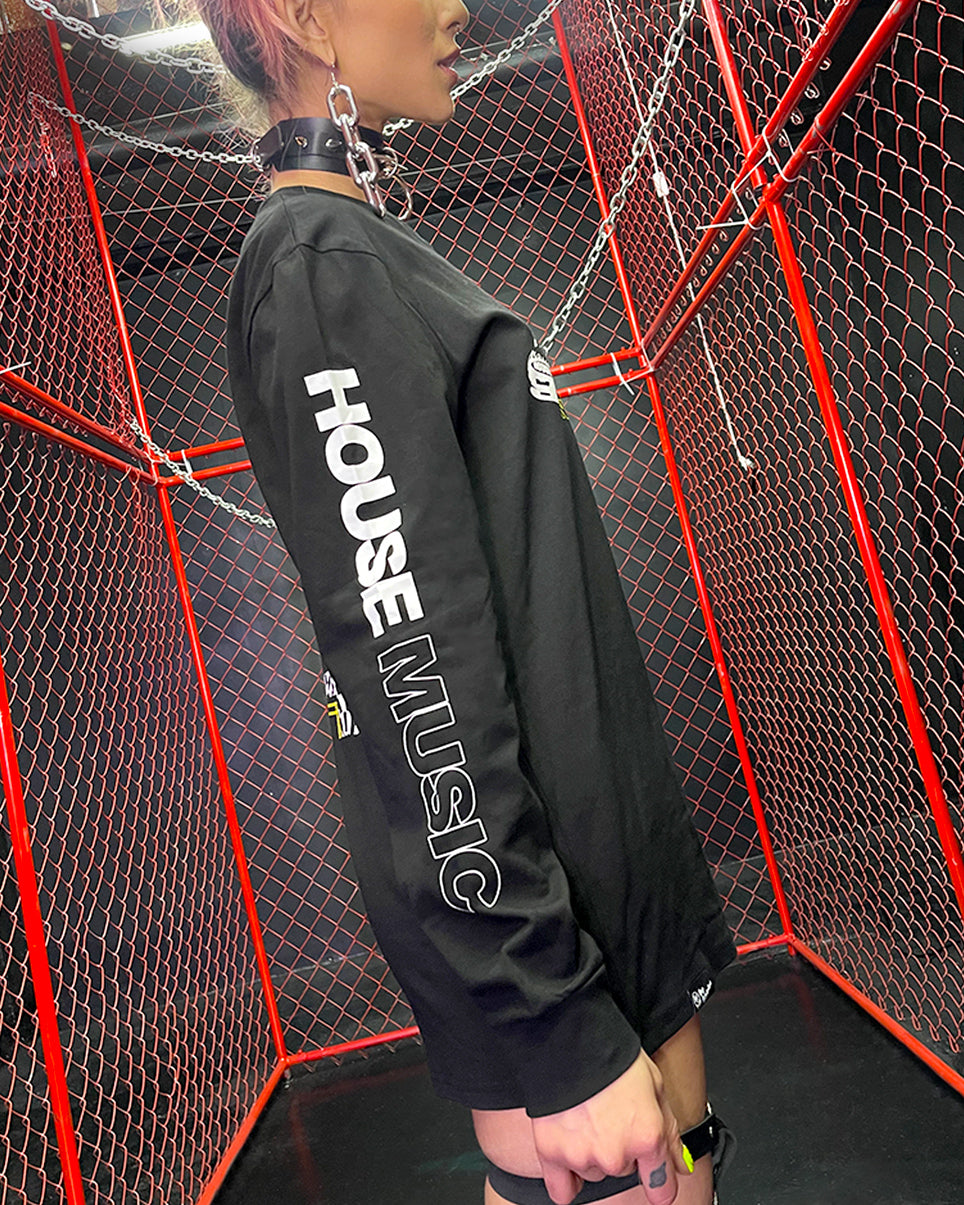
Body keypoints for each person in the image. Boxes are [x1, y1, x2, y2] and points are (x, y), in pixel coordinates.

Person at [195, 0, 739, 1200]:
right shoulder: (319, 268)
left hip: (593, 871)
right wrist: (550, 1013)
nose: (453, 8)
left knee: (688, 1150)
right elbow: (411, 661)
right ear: (304, 19)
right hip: (552, 918)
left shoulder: (354, 253)